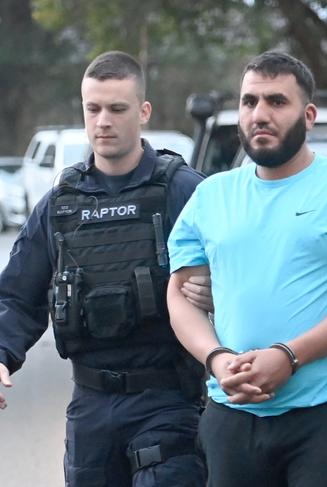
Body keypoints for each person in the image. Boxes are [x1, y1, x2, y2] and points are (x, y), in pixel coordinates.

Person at [166, 51, 327, 487]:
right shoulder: (210, 196)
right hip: (232, 416)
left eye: (277, 102)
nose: (260, 114)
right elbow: (180, 295)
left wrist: (289, 357)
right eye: (249, 101)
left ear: (308, 115)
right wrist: (216, 359)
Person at [0, 51, 209, 486]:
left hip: (168, 400)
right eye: (93, 109)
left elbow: (244, 272)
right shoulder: (61, 204)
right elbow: (19, 295)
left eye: (117, 109)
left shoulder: (182, 190)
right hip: (92, 406)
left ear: (143, 111)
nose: (103, 121)